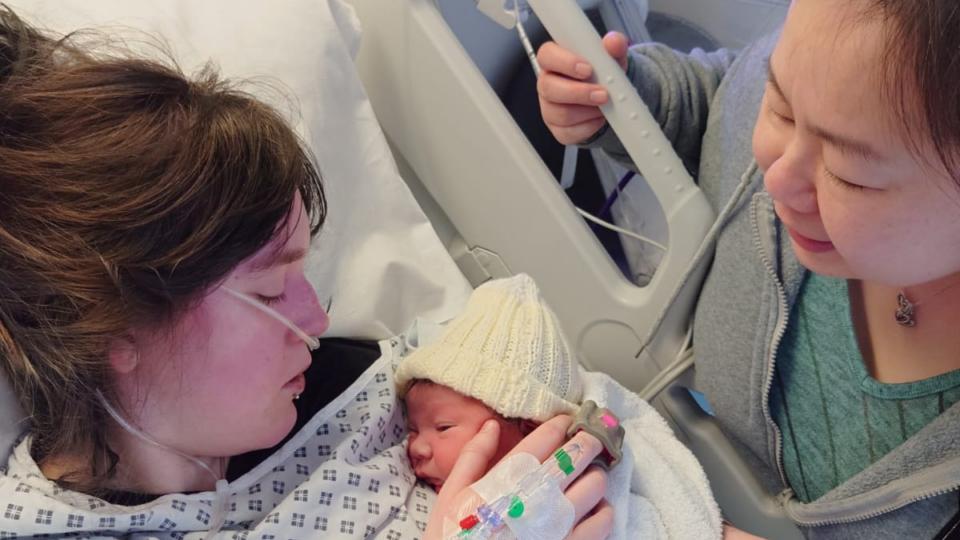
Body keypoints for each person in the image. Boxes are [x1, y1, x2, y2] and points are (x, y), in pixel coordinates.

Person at [0, 7, 611, 539]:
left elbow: (610, 428)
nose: (318, 318)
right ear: (119, 329)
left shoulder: (374, 390)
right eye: (270, 290)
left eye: (302, 273)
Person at [535, 0, 960, 537]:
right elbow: (722, 103)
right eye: (780, 107)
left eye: (850, 175)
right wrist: (627, 101)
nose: (775, 177)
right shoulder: (815, 83)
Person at [397, 273, 722, 539]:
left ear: (528, 426)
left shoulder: (588, 487)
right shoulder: (432, 511)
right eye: (412, 429)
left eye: (443, 427)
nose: (416, 447)